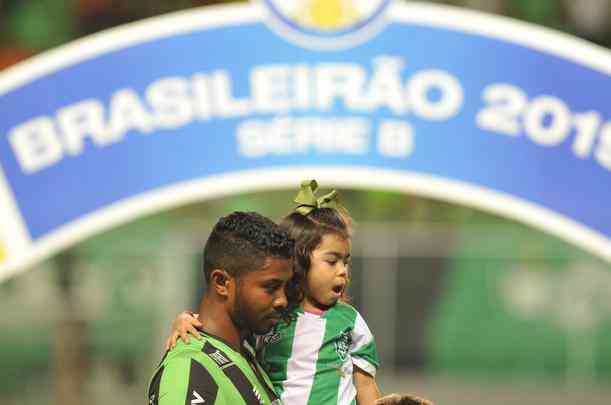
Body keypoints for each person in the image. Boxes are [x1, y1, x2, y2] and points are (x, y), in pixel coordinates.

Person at [166, 181, 433, 405]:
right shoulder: (269, 321)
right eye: (332, 261)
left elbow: (365, 385)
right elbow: (220, 327)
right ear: (301, 262)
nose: (343, 271)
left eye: (346, 261)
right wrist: (187, 320)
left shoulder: (349, 322)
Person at [148, 211, 295, 405]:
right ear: (222, 282)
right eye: (270, 287)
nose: (282, 300)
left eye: (286, 287)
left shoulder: (247, 356)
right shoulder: (190, 368)